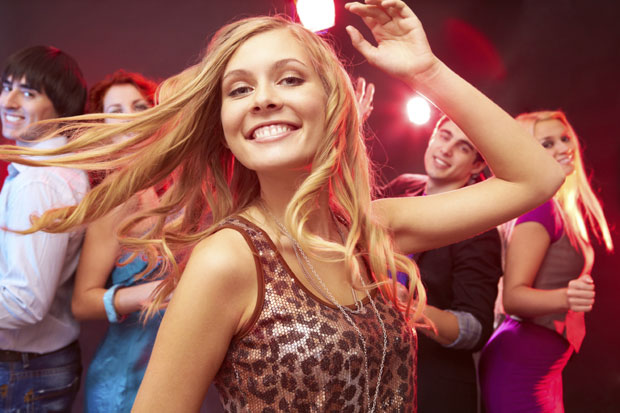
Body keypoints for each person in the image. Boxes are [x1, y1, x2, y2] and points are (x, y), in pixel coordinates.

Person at [0, 1, 565, 411]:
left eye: (290, 79)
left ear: (332, 105)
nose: (264, 98)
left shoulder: (371, 228)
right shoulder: (229, 258)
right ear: (225, 128)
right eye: (240, 89)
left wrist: (426, 70)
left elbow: (536, 177)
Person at [478, 110, 614, 412]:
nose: (564, 148)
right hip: (518, 368)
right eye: (547, 144)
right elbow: (513, 297)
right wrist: (566, 297)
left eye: (565, 138)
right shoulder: (540, 209)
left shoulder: (561, 209)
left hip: (543, 370)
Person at [385, 115, 502, 412]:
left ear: (476, 166)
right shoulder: (402, 187)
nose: (446, 149)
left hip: (430, 388)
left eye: (463, 147)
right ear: (432, 137)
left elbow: (475, 329)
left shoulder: (479, 229)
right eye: (444, 136)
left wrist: (410, 308)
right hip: (373, 373)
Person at [70, 70, 164, 412]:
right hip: (123, 384)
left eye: (139, 107)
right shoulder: (117, 199)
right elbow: (82, 302)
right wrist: (155, 293)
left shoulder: (158, 189)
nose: (131, 118)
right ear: (103, 130)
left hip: (161, 376)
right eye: (116, 111)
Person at [0, 45, 88, 411]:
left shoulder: (39, 182)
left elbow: (25, 303)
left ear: (61, 107)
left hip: (24, 372)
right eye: (7, 87)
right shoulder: (48, 171)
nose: (9, 101)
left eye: (28, 93)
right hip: (33, 368)